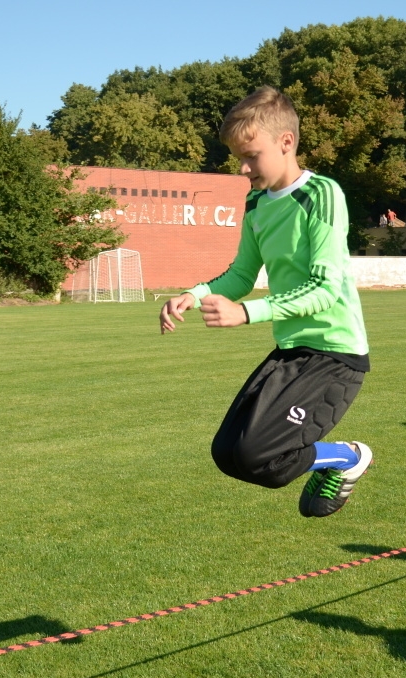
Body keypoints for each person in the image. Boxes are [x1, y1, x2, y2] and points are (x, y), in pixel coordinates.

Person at [159, 87, 372, 518]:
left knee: (259, 457)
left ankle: (349, 459)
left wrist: (248, 312)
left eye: (251, 155)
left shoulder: (322, 194)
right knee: (228, 454)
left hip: (335, 354)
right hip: (292, 352)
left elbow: (325, 288)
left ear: (285, 142)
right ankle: (335, 461)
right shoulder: (256, 203)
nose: (243, 167)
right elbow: (241, 274)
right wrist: (193, 295)